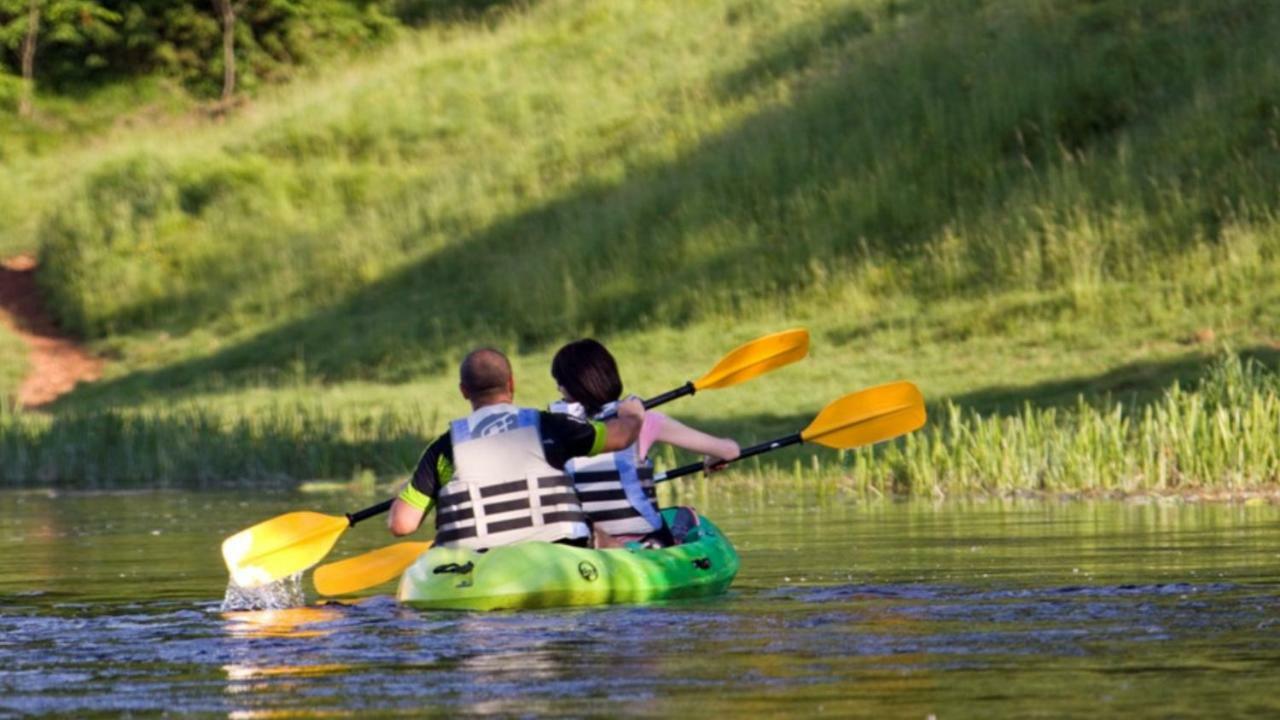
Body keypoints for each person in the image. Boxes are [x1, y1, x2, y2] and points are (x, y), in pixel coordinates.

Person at [388, 347, 645, 549]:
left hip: (477, 566)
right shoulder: (551, 426)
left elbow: (402, 524)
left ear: (464, 391)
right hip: (561, 554)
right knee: (596, 532)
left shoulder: (443, 449)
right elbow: (621, 437)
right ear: (511, 384)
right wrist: (633, 415)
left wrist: (412, 489)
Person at [549, 338, 740, 549]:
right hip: (645, 539)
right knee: (685, 516)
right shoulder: (644, 420)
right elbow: (730, 451)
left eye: (559, 382)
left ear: (566, 387)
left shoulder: (552, 427)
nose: (558, 388)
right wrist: (712, 459)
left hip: (584, 541)